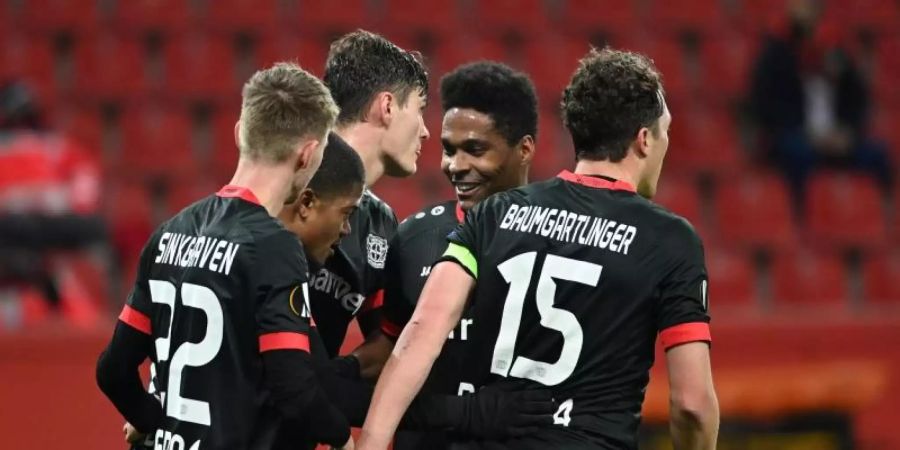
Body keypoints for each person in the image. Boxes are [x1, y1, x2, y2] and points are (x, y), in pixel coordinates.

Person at [358, 48, 720, 450]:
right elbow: (691, 404)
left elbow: (420, 334)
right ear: (644, 139)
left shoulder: (495, 214)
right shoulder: (669, 240)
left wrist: (372, 442)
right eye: (665, 130)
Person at [96, 62, 355, 450]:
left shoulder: (169, 232)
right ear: (308, 155)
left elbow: (113, 371)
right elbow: (295, 391)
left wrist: (155, 421)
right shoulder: (274, 248)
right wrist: (340, 437)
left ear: (239, 134)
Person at [363, 61, 540, 449]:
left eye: (475, 150)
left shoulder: (560, 246)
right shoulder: (413, 239)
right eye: (448, 150)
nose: (456, 166)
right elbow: (389, 350)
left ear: (524, 149)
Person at [309, 30, 429, 362]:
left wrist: (330, 382)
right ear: (387, 106)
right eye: (420, 110)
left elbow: (386, 340)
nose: (425, 130)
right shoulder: (292, 182)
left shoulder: (379, 221)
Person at [749, 0, 891, 203]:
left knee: (877, 155)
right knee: (796, 154)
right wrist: (808, 135)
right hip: (798, 135)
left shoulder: (837, 51)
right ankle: (802, 217)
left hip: (837, 136)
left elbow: (857, 99)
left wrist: (848, 132)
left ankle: (880, 214)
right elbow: (767, 104)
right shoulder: (776, 53)